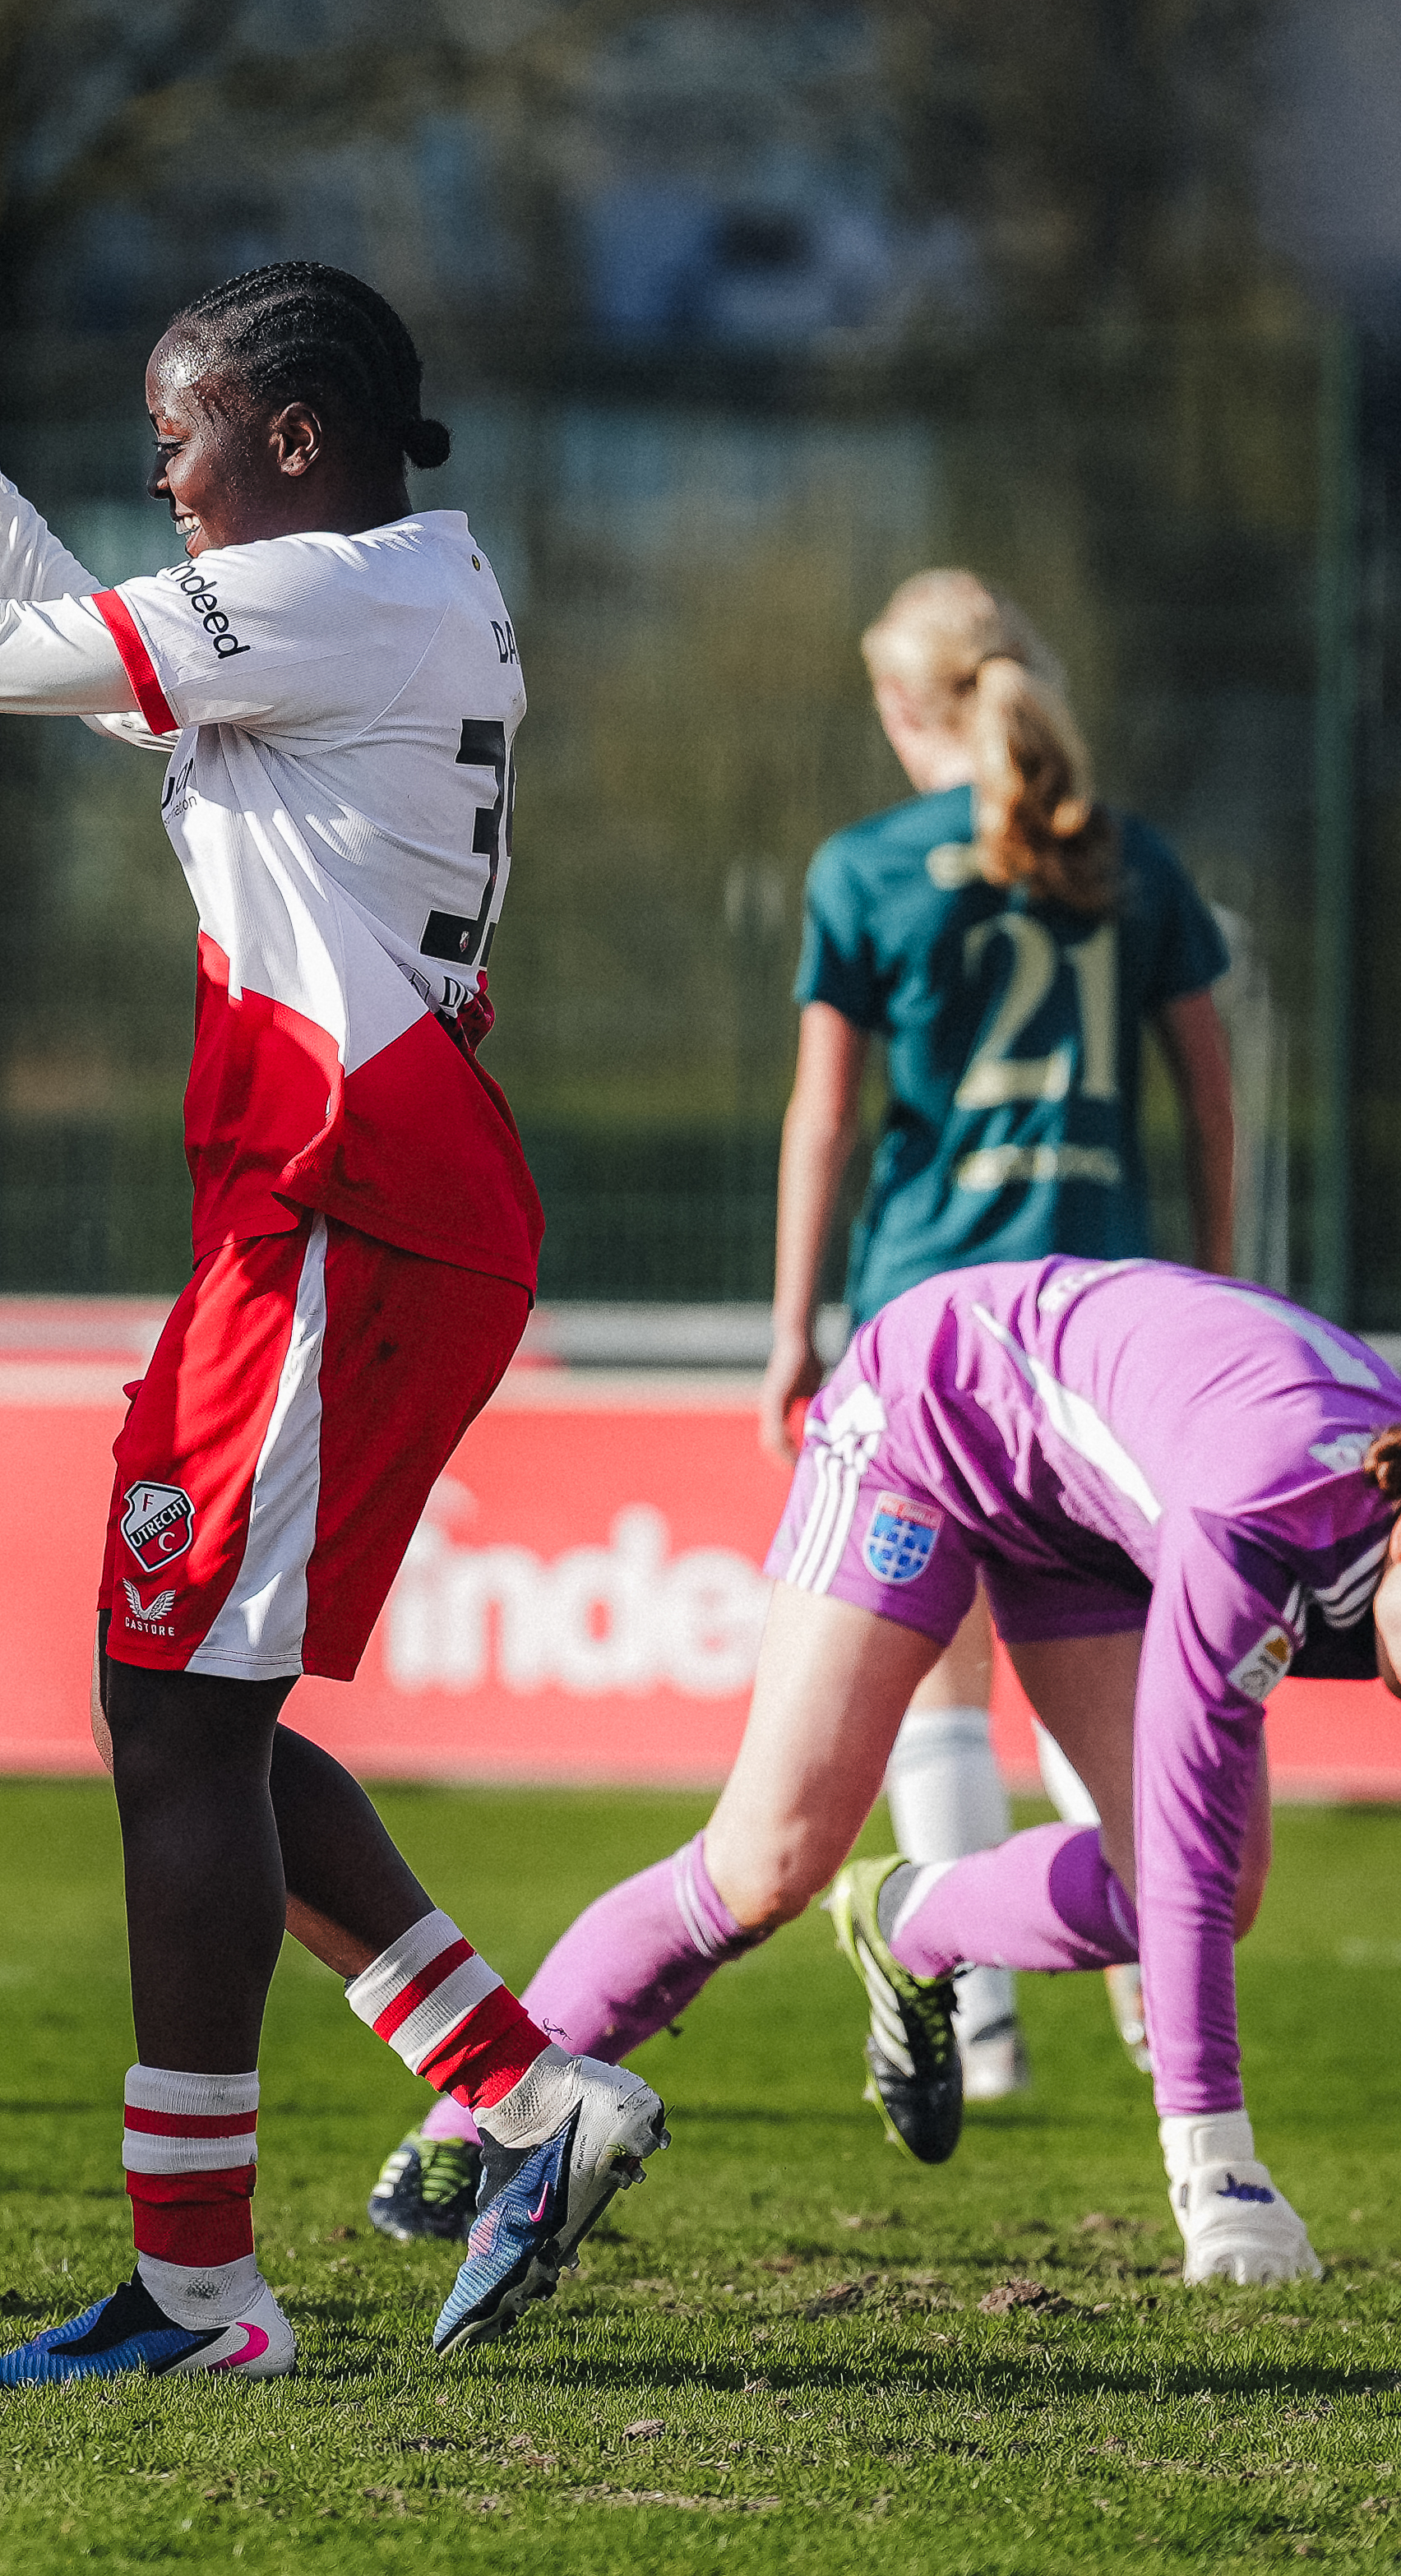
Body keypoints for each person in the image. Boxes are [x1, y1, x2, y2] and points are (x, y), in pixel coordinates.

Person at [0, 173, 664, 2389]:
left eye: (178, 438)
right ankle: (519, 2088)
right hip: (330, 1200)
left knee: (180, 1713)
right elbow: (103, 672)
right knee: (185, 1704)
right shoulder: (367, 593)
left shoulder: (348, 596)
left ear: (293, 434)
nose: (156, 478)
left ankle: (200, 2289)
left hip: (354, 1200)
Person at [369, 575, 1237, 2239]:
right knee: (1149, 1817)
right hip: (1109, 1369)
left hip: (919, 1357)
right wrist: (1205, 1298)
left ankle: (962, 2010)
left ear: (902, 711)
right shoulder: (1132, 861)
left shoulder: (864, 873)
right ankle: (1034, 2031)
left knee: (862, 1784)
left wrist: (791, 1330)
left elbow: (823, 1122)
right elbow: (1210, 1097)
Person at [521, 1251, 1401, 2285]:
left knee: (1210, 1881)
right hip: (935, 1417)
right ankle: (469, 2115)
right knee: (769, 1862)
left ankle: (912, 1923)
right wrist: (1216, 2172)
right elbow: (1185, 1849)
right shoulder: (1258, 1517)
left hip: (1086, 1514)